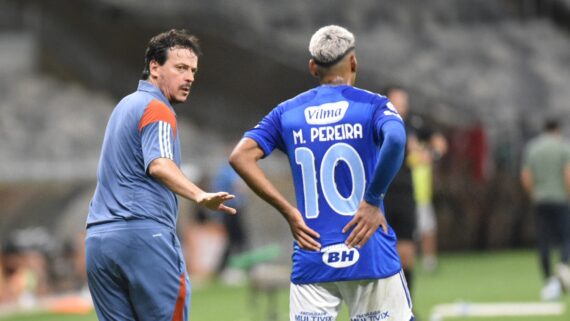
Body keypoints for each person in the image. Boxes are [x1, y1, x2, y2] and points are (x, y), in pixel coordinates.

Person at [230, 25, 413, 321]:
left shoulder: (286, 113)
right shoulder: (373, 105)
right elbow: (395, 139)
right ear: (354, 62)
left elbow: (240, 156)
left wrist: (288, 211)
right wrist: (372, 199)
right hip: (367, 250)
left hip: (313, 252)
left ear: (312, 66)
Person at [85, 29, 236, 321]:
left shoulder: (123, 107)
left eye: (193, 70)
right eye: (180, 68)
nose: (190, 77)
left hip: (99, 242)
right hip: (143, 237)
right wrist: (199, 194)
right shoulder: (158, 108)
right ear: (154, 66)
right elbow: (159, 164)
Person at [521, 118, 570, 301]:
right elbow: (568, 174)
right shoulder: (563, 147)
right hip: (560, 199)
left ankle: (549, 280)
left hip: (540, 200)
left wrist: (534, 194)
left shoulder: (533, 148)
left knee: (544, 240)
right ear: (557, 130)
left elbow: (526, 176)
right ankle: (562, 270)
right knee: (566, 237)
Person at [383, 86, 418, 294]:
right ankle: (386, 306)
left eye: (405, 101)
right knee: (385, 254)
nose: (402, 105)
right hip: (381, 196)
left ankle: (408, 306)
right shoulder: (375, 127)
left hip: (405, 195)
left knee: (407, 252)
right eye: (398, 100)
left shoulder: (411, 127)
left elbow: (435, 143)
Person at [408, 119, 447, 273]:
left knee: (428, 228)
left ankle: (429, 261)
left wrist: (432, 154)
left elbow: (441, 145)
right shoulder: (403, 151)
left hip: (423, 195)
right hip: (405, 195)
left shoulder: (425, 148)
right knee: (407, 233)